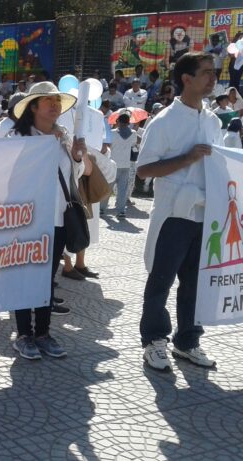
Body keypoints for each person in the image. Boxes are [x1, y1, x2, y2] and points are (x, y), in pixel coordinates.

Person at [136, 52, 222, 372]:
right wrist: (186, 159)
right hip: (173, 213)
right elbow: (144, 169)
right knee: (161, 280)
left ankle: (187, 341)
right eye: (206, 72)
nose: (213, 78)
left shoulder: (213, 121)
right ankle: (154, 340)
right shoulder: (164, 121)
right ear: (186, 79)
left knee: (195, 283)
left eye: (214, 72)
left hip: (205, 214)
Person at [8, 81, 86, 359]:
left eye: (57, 101)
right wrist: (44, 146)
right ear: (33, 107)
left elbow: (73, 176)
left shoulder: (63, 136)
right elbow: (12, 175)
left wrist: (76, 157)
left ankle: (43, 332)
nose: (54, 106)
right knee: (24, 278)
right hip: (27, 221)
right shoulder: (18, 138)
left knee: (47, 279)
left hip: (57, 218)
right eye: (47, 101)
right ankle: (23, 334)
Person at [105, 113, 138, 218]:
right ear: (128, 122)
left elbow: (108, 146)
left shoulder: (112, 133)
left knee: (108, 188)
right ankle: (121, 211)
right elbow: (134, 144)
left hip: (113, 164)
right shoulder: (133, 133)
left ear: (118, 121)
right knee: (122, 190)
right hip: (126, 165)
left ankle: (101, 208)